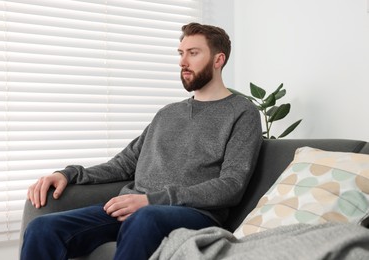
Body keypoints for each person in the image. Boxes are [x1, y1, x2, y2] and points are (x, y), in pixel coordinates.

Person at [21, 22, 263, 260]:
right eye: (181, 53)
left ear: (218, 60)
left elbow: (231, 185)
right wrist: (68, 174)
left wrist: (152, 201)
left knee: (143, 219)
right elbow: (123, 164)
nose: (182, 62)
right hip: (135, 207)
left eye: (193, 53)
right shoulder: (168, 113)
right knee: (42, 228)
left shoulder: (242, 112)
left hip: (191, 213)